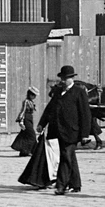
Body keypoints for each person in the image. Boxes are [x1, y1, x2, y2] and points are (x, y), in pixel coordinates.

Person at [37, 65, 92, 195]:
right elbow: (50, 109)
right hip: (59, 130)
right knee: (69, 156)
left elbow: (85, 114)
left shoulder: (79, 92)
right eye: (61, 78)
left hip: (73, 131)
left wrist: (85, 134)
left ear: (71, 78)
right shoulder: (58, 92)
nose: (62, 80)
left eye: (64, 78)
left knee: (66, 156)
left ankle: (61, 185)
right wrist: (42, 124)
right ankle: (76, 184)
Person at [11, 86, 39, 157]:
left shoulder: (31, 102)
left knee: (25, 135)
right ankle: (28, 150)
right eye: (33, 95)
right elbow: (23, 111)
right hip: (26, 119)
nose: (34, 96)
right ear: (29, 94)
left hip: (30, 118)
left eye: (34, 95)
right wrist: (21, 121)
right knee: (32, 135)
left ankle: (25, 151)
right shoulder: (26, 101)